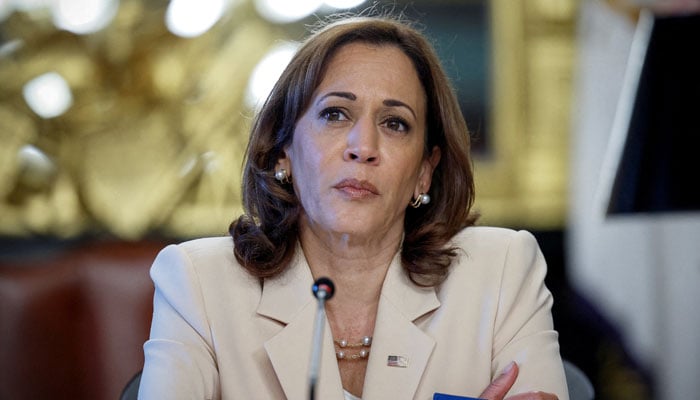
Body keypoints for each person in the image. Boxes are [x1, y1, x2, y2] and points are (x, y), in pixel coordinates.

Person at [138, 15, 568, 400]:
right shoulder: (198, 284)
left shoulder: (502, 271)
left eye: (395, 123)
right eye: (336, 114)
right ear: (283, 149)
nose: (363, 148)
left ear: (424, 171)